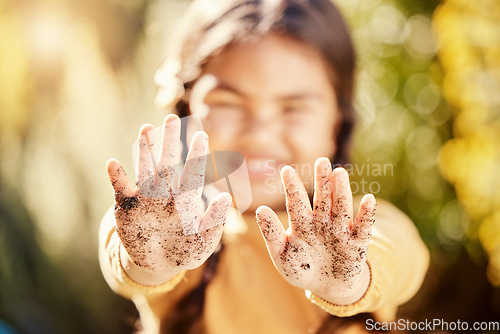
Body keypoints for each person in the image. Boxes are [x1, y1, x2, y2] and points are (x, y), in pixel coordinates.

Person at [99, 0, 430, 333]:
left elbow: (398, 254)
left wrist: (349, 280)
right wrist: (148, 261)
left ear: (337, 125)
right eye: (228, 103)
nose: (258, 135)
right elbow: (126, 256)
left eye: (294, 108)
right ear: (185, 112)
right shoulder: (174, 232)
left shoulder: (362, 230)